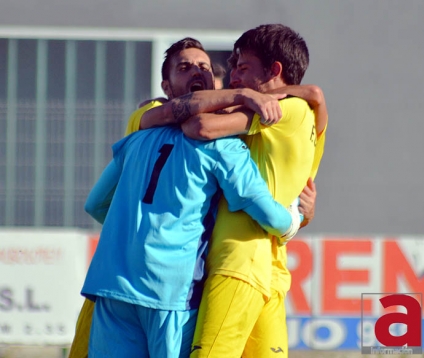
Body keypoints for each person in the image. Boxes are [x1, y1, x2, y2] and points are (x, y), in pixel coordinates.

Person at [69, 37, 305, 358]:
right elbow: (261, 208)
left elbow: (94, 204)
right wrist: (294, 219)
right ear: (166, 86)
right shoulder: (221, 145)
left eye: (204, 66)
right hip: (169, 288)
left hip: (113, 285)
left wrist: (134, 230)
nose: (197, 70)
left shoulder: (137, 137)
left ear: (213, 81)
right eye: (185, 67)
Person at [137, 25, 327, 357]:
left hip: (235, 261)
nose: (235, 76)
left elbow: (202, 127)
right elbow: (303, 186)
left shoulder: (275, 111)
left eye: (243, 67)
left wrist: (177, 108)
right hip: (272, 269)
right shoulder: (309, 114)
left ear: (275, 72)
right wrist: (315, 93)